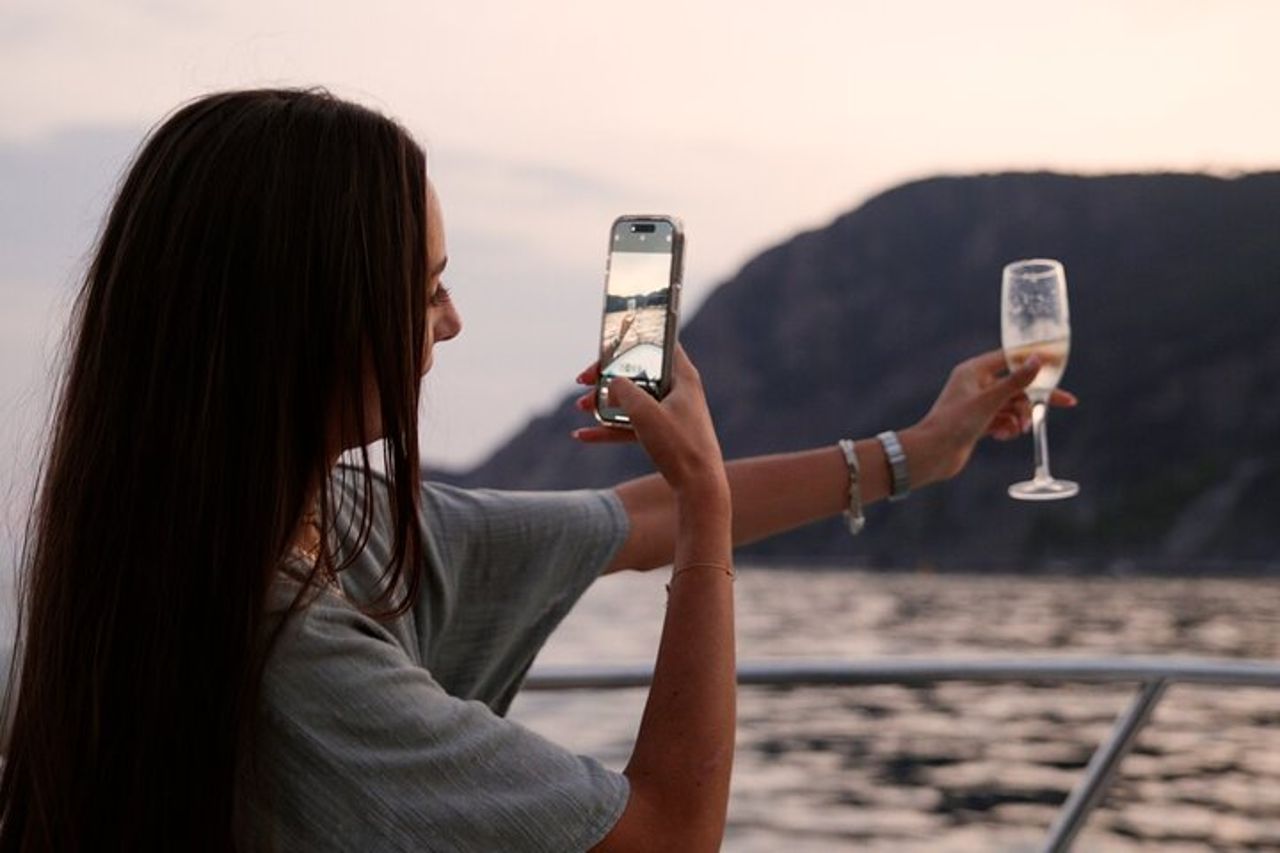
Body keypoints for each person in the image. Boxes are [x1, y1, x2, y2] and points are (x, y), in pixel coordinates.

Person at [0, 88, 1073, 852]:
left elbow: (628, 517)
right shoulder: (293, 650)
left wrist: (912, 454)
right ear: (306, 320)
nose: (452, 324)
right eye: (425, 291)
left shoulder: (299, 520)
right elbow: (663, 837)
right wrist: (704, 510)